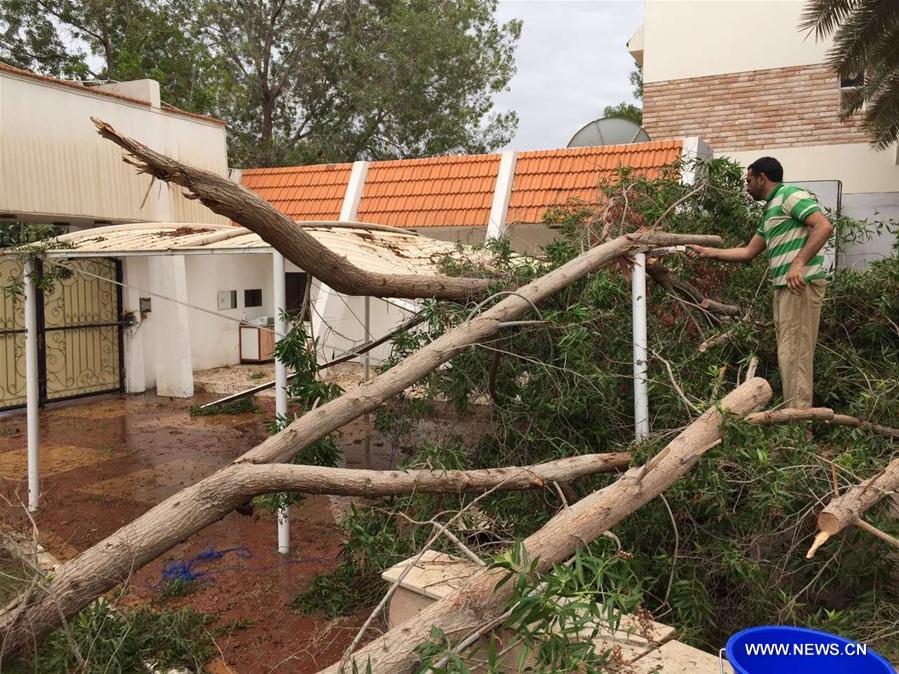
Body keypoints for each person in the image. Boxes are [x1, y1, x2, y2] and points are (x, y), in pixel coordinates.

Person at [688, 157, 834, 409]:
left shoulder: (790, 195)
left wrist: (798, 262)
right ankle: (796, 420)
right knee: (788, 353)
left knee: (795, 354)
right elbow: (747, 252)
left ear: (762, 178)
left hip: (801, 285)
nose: (746, 186)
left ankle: (799, 428)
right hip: (785, 289)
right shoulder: (769, 210)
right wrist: (706, 252)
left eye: (748, 180)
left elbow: (823, 226)